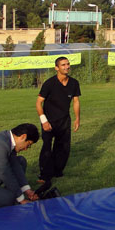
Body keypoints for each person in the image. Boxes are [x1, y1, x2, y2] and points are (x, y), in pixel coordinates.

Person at [36, 56, 81, 184]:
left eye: (68, 64)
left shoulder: (74, 83)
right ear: (56, 68)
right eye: (63, 65)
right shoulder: (49, 83)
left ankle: (57, 171)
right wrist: (44, 121)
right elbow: (38, 103)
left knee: (63, 147)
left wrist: (77, 118)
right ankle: (44, 175)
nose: (66, 67)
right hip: (49, 120)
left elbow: (76, 101)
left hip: (64, 120)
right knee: (47, 146)